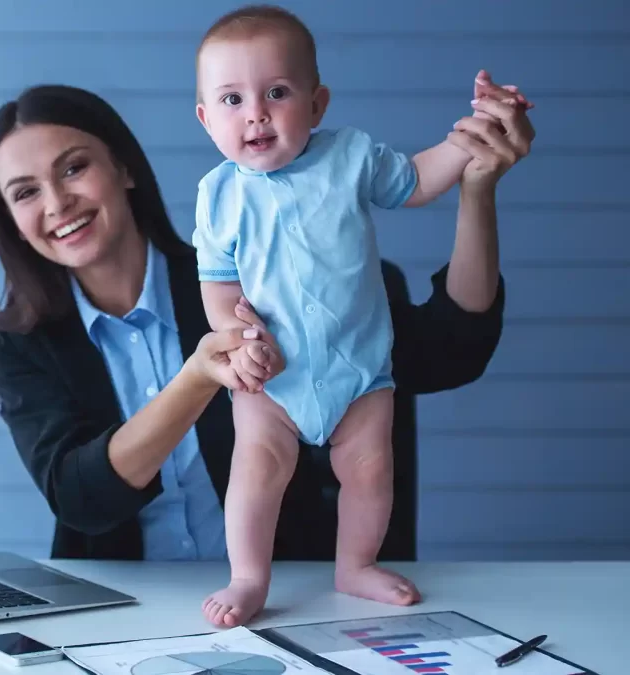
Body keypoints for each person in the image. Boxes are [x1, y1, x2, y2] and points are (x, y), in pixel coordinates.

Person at [0, 75, 533, 624]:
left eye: (74, 168)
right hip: (116, 614)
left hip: (291, 606)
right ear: (10, 220)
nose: (57, 202)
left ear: (123, 168)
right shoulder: (18, 346)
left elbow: (452, 349)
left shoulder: (265, 281)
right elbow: (80, 499)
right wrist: (198, 376)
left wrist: (476, 191)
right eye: (26, 192)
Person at [188, 5, 534, 626]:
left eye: (277, 93)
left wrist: (469, 138)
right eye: (232, 100)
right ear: (207, 119)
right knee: (257, 471)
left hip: (361, 366)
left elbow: (418, 180)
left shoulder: (349, 156)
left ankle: (355, 565)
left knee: (371, 471)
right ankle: (249, 577)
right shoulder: (218, 195)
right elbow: (217, 283)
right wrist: (238, 339)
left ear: (317, 104)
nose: (256, 113)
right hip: (275, 377)